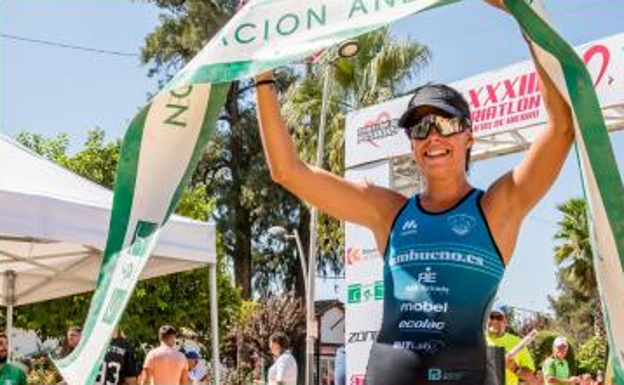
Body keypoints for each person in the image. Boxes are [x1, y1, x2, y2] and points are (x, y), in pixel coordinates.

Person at [254, 1, 574, 383]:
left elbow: (561, 130)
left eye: (444, 122)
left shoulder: (496, 207)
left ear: (468, 135)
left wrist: (527, 21)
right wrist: (262, 74)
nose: (433, 136)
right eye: (420, 129)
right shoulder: (387, 212)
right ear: (411, 145)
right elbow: (288, 171)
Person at [486, 304, 535, 385]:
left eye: (499, 318)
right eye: (492, 317)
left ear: (506, 322)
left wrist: (514, 368)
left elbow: (529, 375)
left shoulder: (516, 342)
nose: (494, 321)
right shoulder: (479, 340)